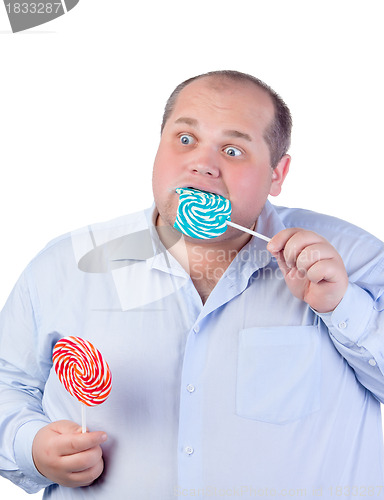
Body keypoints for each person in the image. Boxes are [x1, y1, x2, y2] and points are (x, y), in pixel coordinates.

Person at [1, 70, 384, 499]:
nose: (202, 162)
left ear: (278, 173)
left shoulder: (355, 258)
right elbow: (6, 384)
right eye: (185, 139)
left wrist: (343, 306)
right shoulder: (66, 266)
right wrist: (32, 447)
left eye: (233, 149)